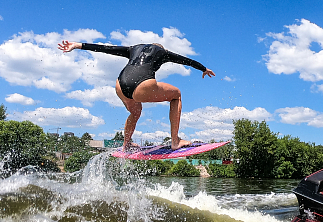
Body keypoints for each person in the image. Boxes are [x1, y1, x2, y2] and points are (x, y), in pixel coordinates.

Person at [58, 40, 215, 150]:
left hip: (120, 84)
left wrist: (79, 45)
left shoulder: (133, 48)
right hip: (142, 85)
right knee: (176, 95)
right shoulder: (163, 52)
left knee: (135, 111)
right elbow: (185, 60)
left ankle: (126, 144)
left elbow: (107, 48)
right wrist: (203, 69)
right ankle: (175, 140)